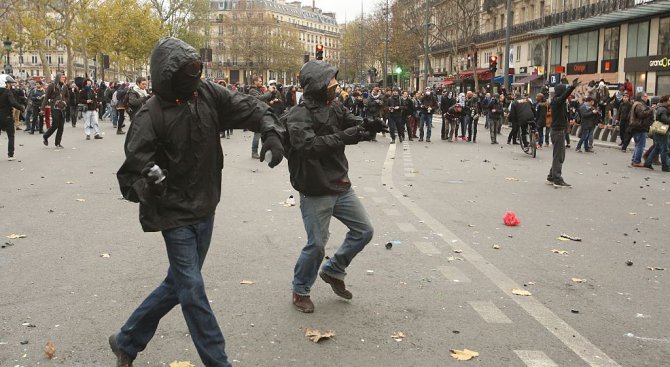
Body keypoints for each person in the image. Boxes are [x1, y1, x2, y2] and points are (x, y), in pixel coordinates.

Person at [111, 37, 285, 367]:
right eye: (187, 74)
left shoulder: (205, 93)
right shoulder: (149, 116)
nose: (194, 81)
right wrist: (150, 182)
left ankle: (126, 339)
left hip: (206, 205)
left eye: (196, 72)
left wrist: (272, 131)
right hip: (173, 213)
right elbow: (131, 177)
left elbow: (246, 106)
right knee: (191, 289)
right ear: (167, 76)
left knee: (178, 283)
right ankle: (219, 362)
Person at [282, 60, 374, 314]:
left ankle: (333, 270)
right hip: (315, 188)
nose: (335, 86)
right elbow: (309, 147)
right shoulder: (298, 115)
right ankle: (300, 290)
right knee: (317, 244)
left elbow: (350, 121)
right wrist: (345, 136)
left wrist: (367, 127)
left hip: (340, 184)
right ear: (317, 85)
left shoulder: (334, 105)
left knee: (364, 230)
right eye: (330, 82)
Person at [548, 78, 579, 188]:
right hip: (558, 131)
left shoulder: (558, 102)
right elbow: (564, 97)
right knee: (559, 156)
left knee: (558, 155)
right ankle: (557, 178)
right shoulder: (557, 101)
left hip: (558, 130)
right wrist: (571, 87)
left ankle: (552, 175)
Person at [42, 72, 70, 148]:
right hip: (54, 108)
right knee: (55, 124)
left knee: (61, 126)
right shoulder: (52, 86)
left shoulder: (65, 87)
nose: (63, 79)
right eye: (62, 77)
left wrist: (65, 101)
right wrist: (42, 108)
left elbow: (67, 96)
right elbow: (46, 97)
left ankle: (57, 143)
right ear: (58, 78)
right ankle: (45, 136)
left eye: (64, 77)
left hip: (62, 108)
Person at [0, 75, 25, 160]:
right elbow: (13, 103)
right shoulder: (7, 92)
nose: (10, 85)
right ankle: (10, 155)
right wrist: (21, 108)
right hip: (7, 117)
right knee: (11, 136)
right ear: (4, 83)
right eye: (9, 83)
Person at [248, 75, 273, 158]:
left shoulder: (259, 90)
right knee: (257, 134)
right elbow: (259, 98)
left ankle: (264, 151)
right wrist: (268, 92)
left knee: (263, 134)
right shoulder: (252, 91)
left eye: (261, 81)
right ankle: (254, 152)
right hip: (257, 114)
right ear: (255, 82)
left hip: (262, 113)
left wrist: (269, 92)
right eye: (260, 81)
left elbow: (267, 98)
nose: (261, 83)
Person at [643, 95, 669, 172]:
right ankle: (665, 167)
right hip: (662, 130)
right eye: (669, 100)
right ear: (665, 101)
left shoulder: (659, 107)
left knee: (657, 147)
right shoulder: (663, 109)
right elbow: (665, 120)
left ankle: (648, 162)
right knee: (664, 149)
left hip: (657, 130)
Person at [629, 92, 654, 167]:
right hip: (639, 127)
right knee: (640, 145)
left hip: (636, 127)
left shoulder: (637, 104)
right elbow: (642, 114)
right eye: (645, 96)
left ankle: (634, 160)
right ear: (641, 97)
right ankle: (637, 161)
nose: (647, 98)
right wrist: (651, 109)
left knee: (637, 145)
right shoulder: (639, 105)